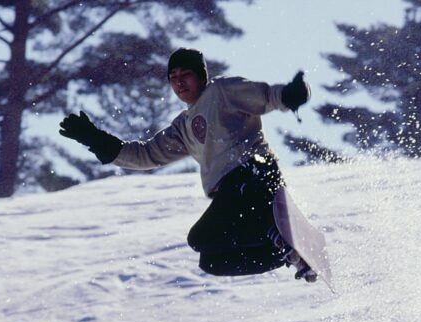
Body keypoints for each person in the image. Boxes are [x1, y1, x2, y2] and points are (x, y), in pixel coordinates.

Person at [59, 47, 317, 281]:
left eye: (186, 74)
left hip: (253, 176)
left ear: (202, 76)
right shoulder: (183, 126)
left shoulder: (221, 92)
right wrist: (96, 139)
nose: (179, 82)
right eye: (173, 77)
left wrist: (291, 95)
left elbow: (266, 97)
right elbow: (146, 154)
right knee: (212, 261)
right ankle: (283, 252)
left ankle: (277, 235)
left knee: (200, 238)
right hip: (234, 193)